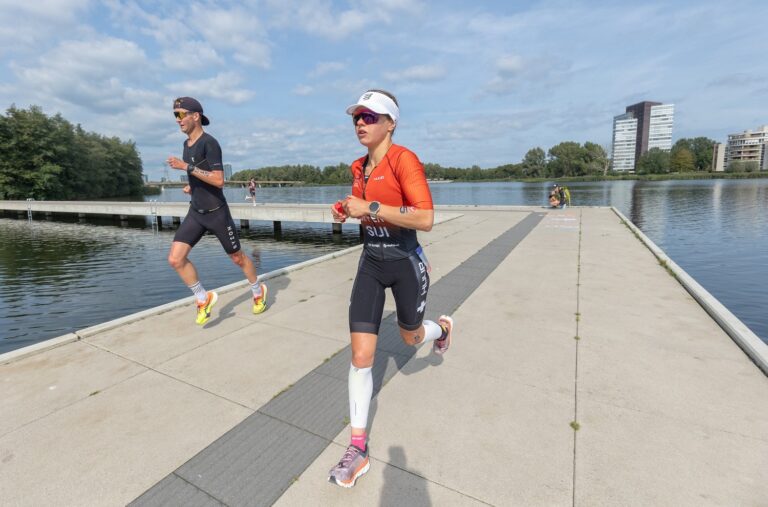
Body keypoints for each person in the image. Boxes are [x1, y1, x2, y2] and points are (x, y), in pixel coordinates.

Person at [328, 89, 454, 488]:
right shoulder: (357, 167)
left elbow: (426, 217)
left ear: (390, 122)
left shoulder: (404, 160)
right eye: (356, 118)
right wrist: (346, 212)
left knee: (410, 335)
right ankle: (357, 449)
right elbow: (365, 213)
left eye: (370, 116)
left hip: (404, 263)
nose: (360, 123)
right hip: (371, 262)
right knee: (361, 356)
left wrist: (372, 209)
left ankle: (442, 330)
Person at [166, 97, 268, 325]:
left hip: (216, 213)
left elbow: (220, 180)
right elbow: (200, 176)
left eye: (181, 114)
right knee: (175, 259)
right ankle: (203, 298)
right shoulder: (186, 146)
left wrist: (186, 168)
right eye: (175, 115)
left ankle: (257, 290)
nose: (178, 120)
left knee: (238, 258)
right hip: (196, 212)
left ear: (196, 116)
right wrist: (191, 186)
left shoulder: (209, 143)